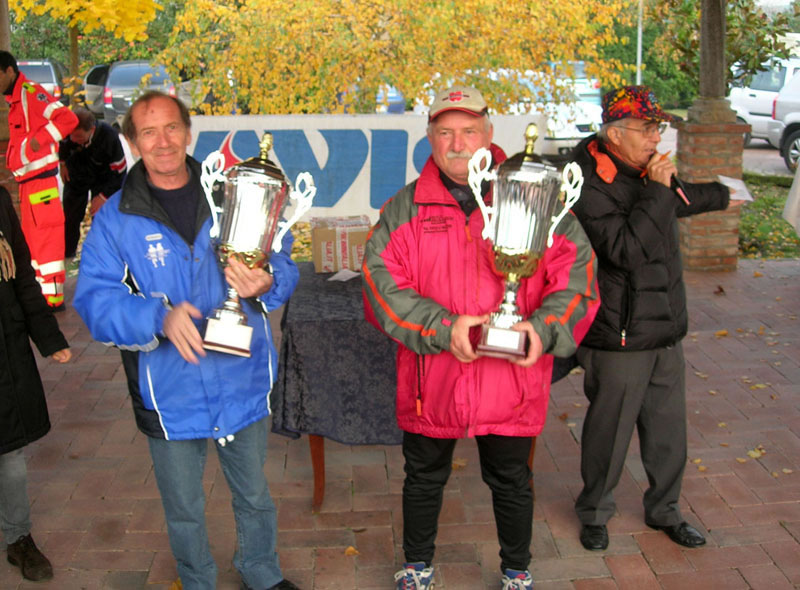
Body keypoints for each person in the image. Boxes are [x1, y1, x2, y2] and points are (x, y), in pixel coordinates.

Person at [362, 85, 600, 590]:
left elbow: (576, 275)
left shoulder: (534, 191)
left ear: (489, 133)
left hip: (510, 377)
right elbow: (380, 284)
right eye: (445, 132)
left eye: (468, 130)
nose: (457, 142)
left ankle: (517, 568)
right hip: (435, 375)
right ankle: (417, 564)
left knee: (511, 479)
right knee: (424, 476)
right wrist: (444, 328)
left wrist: (544, 328)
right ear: (429, 137)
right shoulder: (405, 208)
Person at [73, 91, 300, 590]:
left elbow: (280, 255)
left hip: (242, 376)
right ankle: (198, 580)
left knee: (255, 493)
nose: (163, 141)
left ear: (188, 132)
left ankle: (261, 570)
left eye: (172, 128)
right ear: (132, 142)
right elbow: (94, 300)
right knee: (184, 508)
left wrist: (270, 281)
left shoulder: (231, 189)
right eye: (148, 132)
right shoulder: (115, 218)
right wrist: (156, 316)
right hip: (168, 390)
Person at [569, 85, 742, 552]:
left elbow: (677, 199)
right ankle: (594, 513)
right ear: (614, 133)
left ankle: (665, 510)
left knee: (668, 432)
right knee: (610, 432)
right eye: (647, 129)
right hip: (617, 332)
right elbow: (626, 249)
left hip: (664, 324)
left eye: (657, 127)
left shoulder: (648, 173)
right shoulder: (585, 178)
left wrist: (723, 195)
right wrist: (658, 190)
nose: (655, 138)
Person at [1, 185, 72, 581]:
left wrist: (49, 338)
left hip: (3, 351)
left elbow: (22, 275)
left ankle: (18, 538)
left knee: (10, 456)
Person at [1, 50, 78, 309]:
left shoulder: (31, 94)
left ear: (8, 71)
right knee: (35, 242)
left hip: (42, 183)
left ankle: (53, 300)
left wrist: (38, 141)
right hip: (29, 185)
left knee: (47, 240)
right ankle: (44, 298)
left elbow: (68, 119)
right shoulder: (16, 99)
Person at [59, 107, 127, 258]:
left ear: (92, 129)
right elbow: (61, 146)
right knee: (70, 218)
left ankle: (103, 255)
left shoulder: (109, 137)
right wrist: (62, 163)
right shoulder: (68, 132)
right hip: (76, 176)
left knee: (102, 217)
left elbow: (121, 173)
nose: (74, 140)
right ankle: (67, 255)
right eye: (71, 136)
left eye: (78, 137)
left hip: (104, 179)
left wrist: (104, 196)